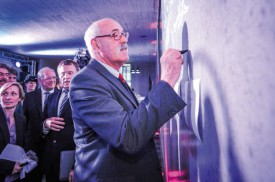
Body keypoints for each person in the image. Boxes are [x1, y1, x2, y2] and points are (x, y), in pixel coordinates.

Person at [70, 18, 186, 182]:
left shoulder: (113, 78)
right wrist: (167, 78)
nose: (124, 40)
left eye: (124, 34)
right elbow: (128, 136)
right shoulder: (85, 82)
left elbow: (133, 116)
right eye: (115, 35)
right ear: (96, 45)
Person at [42, 60, 79, 182]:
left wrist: (76, 166)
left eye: (70, 73)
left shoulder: (85, 98)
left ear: (77, 74)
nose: (66, 77)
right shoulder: (51, 96)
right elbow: (42, 122)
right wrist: (45, 124)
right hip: (50, 160)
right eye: (62, 74)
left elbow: (89, 136)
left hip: (72, 160)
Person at [23, 67, 57, 182]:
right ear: (40, 80)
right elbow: (24, 121)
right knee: (32, 176)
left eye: (54, 77)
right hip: (33, 146)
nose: (53, 80)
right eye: (49, 78)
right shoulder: (29, 97)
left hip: (53, 146)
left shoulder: (62, 96)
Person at [0, 82, 27, 182]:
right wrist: (9, 166)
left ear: (20, 98)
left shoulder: (22, 120)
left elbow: (21, 146)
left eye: (13, 94)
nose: (8, 97)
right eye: (4, 93)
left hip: (15, 176)